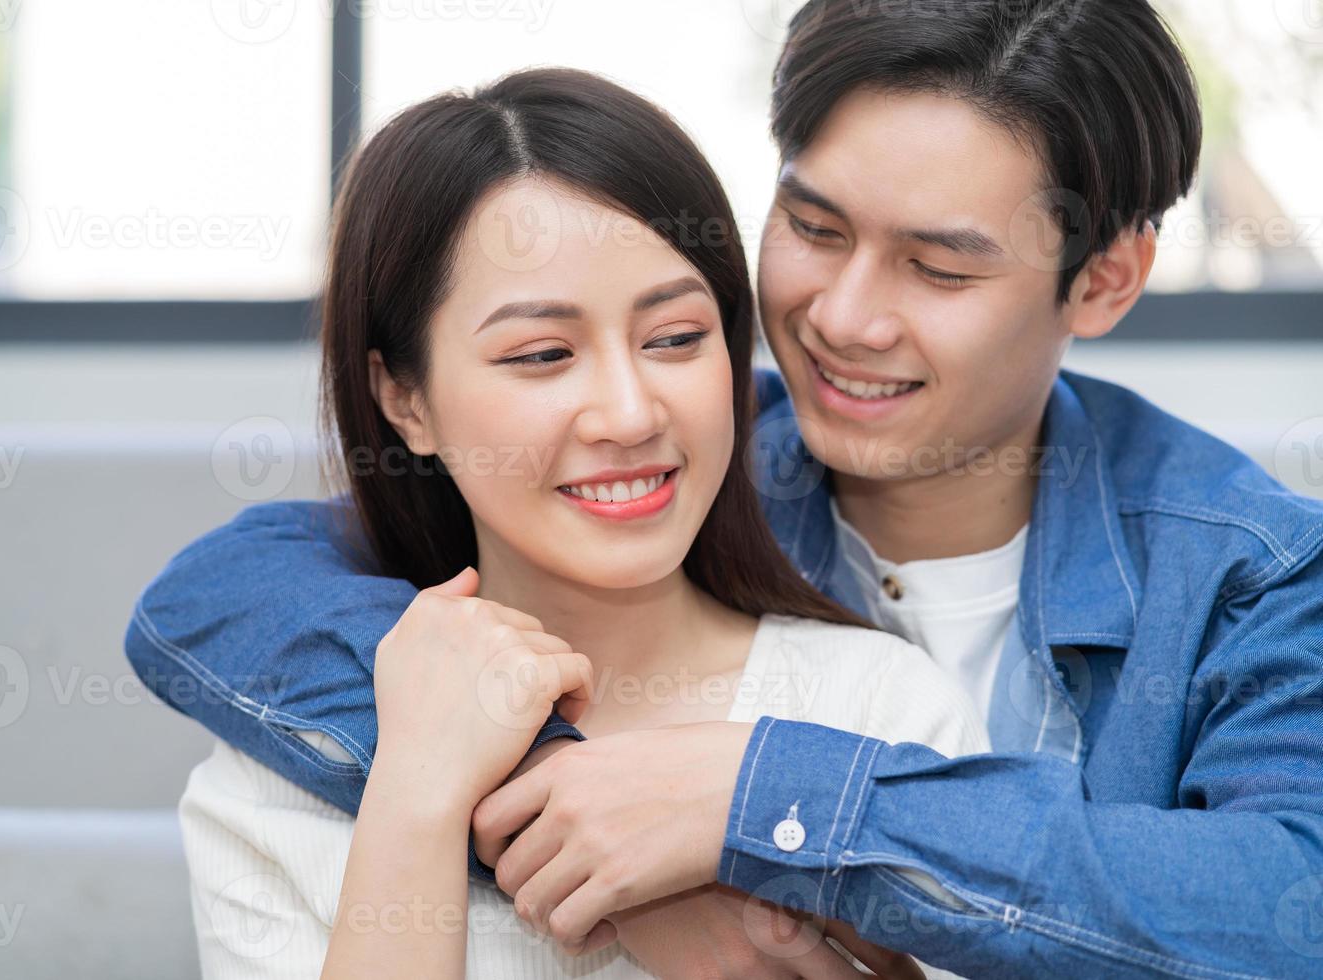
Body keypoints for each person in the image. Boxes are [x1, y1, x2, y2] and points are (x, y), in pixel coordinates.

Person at [131, 1, 1323, 976]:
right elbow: (227, 589)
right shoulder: (678, 450)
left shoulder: (1249, 579)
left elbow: (1295, 902)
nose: (843, 319)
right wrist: (571, 797)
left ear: (1105, 279)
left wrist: (759, 812)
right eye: (813, 226)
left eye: (940, 266)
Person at [175, 67, 987, 980]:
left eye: (675, 338)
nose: (629, 414)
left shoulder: (886, 714)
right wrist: (415, 795)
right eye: (543, 354)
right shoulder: (278, 770)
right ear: (406, 401)